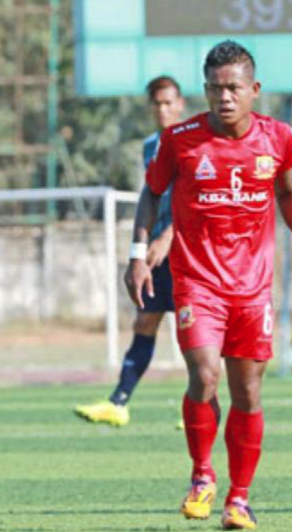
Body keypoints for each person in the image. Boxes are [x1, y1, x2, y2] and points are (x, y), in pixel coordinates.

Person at [126, 41, 292, 531]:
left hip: (253, 289)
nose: (224, 97)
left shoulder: (279, 139)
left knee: (247, 392)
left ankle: (240, 498)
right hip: (197, 284)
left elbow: (288, 194)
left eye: (233, 88)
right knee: (204, 375)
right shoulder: (181, 140)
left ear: (254, 90)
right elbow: (151, 193)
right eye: (214, 88)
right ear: (205, 91)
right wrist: (136, 254)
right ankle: (202, 475)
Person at [75, 76, 186, 427]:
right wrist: (143, 247)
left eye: (169, 102)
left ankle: (201, 407)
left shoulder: (194, 142)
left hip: (188, 249)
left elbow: (195, 199)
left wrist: (169, 236)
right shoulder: (151, 145)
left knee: (195, 330)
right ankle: (119, 402)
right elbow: (152, 195)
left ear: (180, 104)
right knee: (145, 321)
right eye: (157, 103)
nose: (163, 109)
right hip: (156, 252)